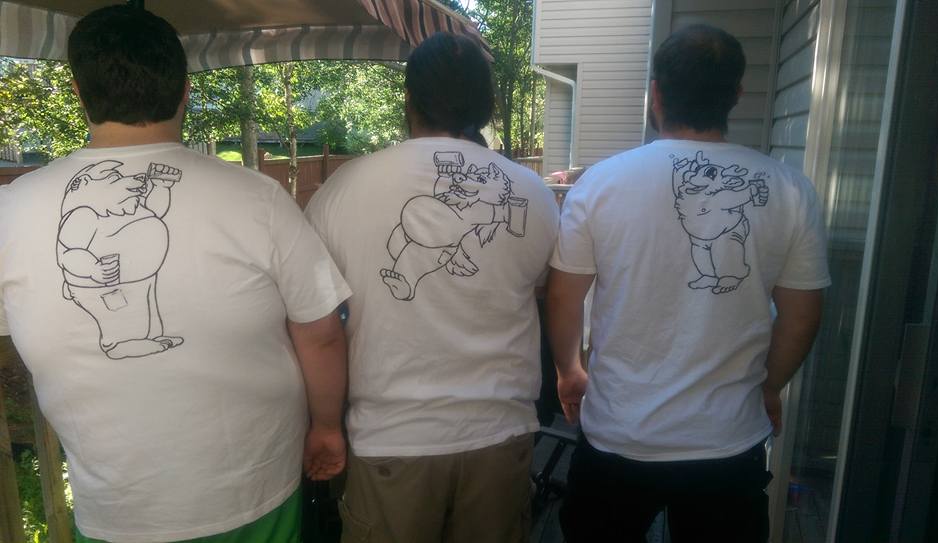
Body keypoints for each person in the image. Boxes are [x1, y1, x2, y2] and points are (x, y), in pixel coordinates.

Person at [0, 6, 351, 542]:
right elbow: (321, 332)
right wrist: (327, 426)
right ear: (185, 91)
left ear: (78, 92)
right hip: (253, 491)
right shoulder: (255, 197)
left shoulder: (11, 210)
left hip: (117, 506)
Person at [546, 24, 830, 542]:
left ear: (655, 94)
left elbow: (565, 295)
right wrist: (768, 385)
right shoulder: (790, 189)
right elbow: (803, 315)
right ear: (736, 95)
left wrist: (569, 370)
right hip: (728, 444)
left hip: (618, 438)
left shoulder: (601, 183)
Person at [305, 32, 559, 543]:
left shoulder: (344, 188)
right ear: (485, 104)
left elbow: (317, 323)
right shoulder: (533, 194)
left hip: (391, 440)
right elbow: (541, 291)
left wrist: (324, 422)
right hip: (500, 436)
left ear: (410, 100)